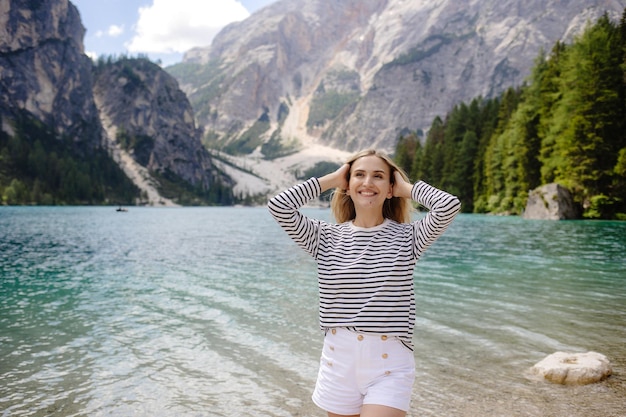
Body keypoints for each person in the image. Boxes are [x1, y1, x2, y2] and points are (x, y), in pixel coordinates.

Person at [268, 149, 461, 417]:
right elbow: (279, 205)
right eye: (359, 174)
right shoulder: (324, 237)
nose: (368, 182)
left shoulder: (409, 237)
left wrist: (406, 188)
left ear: (389, 187)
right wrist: (335, 178)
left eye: (378, 176)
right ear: (348, 185)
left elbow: (449, 205)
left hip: (389, 364)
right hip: (338, 361)